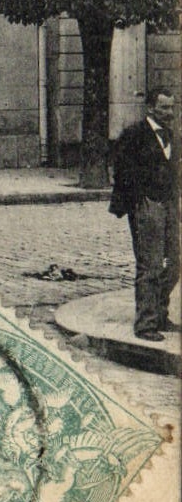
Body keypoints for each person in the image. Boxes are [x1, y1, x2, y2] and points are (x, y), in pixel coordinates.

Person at [109, 87, 179, 341]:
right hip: (147, 205)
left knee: (175, 264)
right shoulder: (134, 135)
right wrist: (139, 202)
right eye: (164, 107)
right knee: (149, 266)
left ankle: (160, 313)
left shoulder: (171, 135)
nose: (169, 112)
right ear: (150, 108)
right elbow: (123, 171)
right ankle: (146, 324)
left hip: (169, 205)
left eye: (171, 107)